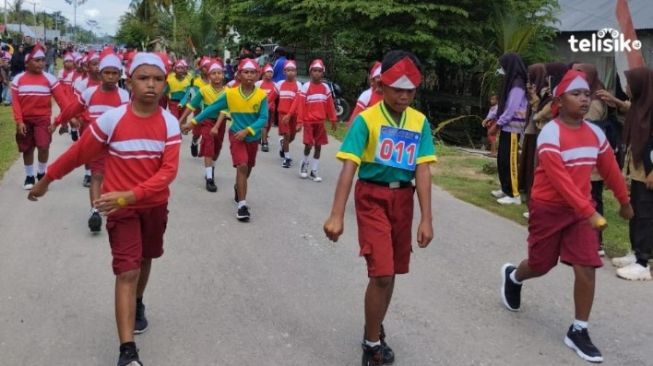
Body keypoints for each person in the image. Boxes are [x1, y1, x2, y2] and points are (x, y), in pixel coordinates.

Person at [28, 52, 181, 366]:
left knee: (147, 257)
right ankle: (128, 353)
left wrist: (130, 195)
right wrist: (47, 178)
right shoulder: (113, 120)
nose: (151, 85)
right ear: (130, 81)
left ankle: (138, 302)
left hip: (152, 206)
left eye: (158, 79)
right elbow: (79, 151)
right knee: (128, 270)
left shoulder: (169, 122)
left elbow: (168, 173)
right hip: (121, 208)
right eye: (143, 78)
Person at [500, 69, 633, 363]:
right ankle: (514, 276)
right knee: (541, 264)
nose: (584, 99)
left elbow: (610, 168)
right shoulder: (551, 132)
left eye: (587, 94)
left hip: (580, 213)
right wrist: (589, 211)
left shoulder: (595, 133)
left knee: (587, 265)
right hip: (549, 209)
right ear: (560, 99)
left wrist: (623, 201)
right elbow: (559, 180)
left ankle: (579, 329)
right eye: (577, 94)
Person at [324, 50, 436, 366]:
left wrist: (426, 218)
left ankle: (374, 324)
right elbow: (348, 167)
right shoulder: (366, 120)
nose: (403, 96)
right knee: (382, 272)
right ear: (381, 86)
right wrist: (336, 213)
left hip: (403, 199)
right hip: (372, 197)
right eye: (396, 88)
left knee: (394, 270)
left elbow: (423, 170)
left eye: (410, 90)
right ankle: (371, 343)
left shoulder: (419, 122)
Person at [52, 48, 130, 233]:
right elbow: (72, 110)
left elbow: (128, 119)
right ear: (100, 73)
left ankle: (117, 208)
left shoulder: (124, 96)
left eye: (114, 73)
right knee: (97, 175)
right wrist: (58, 122)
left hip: (116, 144)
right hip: (96, 142)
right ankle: (95, 211)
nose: (110, 77)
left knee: (116, 177)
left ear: (120, 75)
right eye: (107, 73)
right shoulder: (89, 93)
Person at [186, 58, 268, 221]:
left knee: (248, 168)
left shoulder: (261, 95)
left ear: (257, 75)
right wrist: (193, 122)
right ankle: (242, 206)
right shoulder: (230, 94)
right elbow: (212, 108)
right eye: (246, 72)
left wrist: (249, 130)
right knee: (242, 165)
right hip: (236, 135)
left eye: (253, 72)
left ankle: (239, 187)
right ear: (239, 75)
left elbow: (264, 118)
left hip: (252, 137)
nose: (249, 76)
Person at [605, 67, 653, 281]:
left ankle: (643, 263)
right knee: (635, 212)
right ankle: (635, 253)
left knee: (646, 215)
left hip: (648, 171)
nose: (626, 88)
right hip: (637, 169)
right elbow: (627, 106)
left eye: (629, 84)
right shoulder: (640, 106)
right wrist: (614, 100)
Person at [11, 44, 70, 190]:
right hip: (25, 120)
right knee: (28, 148)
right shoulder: (18, 79)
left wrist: (62, 121)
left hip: (42, 119)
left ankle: (41, 173)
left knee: (43, 146)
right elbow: (16, 103)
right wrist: (19, 121)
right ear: (28, 62)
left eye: (43, 60)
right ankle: (29, 176)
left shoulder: (50, 79)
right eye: (37, 60)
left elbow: (63, 101)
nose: (41, 63)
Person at [573, 63, 609, 256]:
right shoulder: (588, 96)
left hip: (592, 160)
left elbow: (585, 130)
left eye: (579, 74)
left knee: (593, 199)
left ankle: (596, 242)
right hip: (584, 158)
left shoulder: (594, 101)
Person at [179, 61, 227, 192]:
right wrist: (180, 120)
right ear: (209, 75)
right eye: (213, 73)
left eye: (219, 73)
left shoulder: (228, 92)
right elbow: (191, 104)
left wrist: (217, 126)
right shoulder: (203, 89)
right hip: (206, 121)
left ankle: (211, 167)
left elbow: (224, 111)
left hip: (220, 122)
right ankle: (210, 178)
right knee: (208, 147)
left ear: (223, 75)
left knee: (216, 149)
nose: (216, 76)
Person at [492, 52, 528, 205]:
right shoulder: (511, 82)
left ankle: (514, 194)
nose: (501, 69)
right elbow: (505, 105)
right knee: (502, 159)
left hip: (513, 128)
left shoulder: (518, 85)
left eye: (503, 66)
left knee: (510, 160)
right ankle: (505, 188)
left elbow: (511, 108)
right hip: (506, 127)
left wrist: (498, 123)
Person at [295, 59, 337, 182]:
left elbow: (330, 105)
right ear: (310, 72)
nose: (317, 73)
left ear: (322, 73)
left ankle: (314, 170)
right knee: (308, 145)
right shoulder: (306, 87)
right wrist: (299, 122)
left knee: (318, 146)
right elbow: (301, 106)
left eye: (319, 71)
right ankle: (304, 166)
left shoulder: (326, 88)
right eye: (314, 71)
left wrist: (333, 119)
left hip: (320, 122)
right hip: (308, 122)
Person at [276, 59, 303, 168]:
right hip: (282, 114)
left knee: (292, 137)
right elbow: (271, 97)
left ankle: (283, 143)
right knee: (287, 135)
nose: (290, 72)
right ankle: (287, 158)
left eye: (293, 70)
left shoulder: (299, 85)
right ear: (284, 72)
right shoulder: (279, 84)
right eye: (288, 70)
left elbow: (298, 102)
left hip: (293, 115)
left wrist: (298, 119)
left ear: (296, 72)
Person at [255, 63, 278, 152]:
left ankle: (263, 137)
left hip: (271, 108)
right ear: (264, 73)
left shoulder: (275, 85)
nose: (269, 74)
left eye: (271, 73)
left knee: (268, 126)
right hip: (261, 109)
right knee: (264, 125)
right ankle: (265, 143)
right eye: (268, 72)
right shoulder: (258, 84)